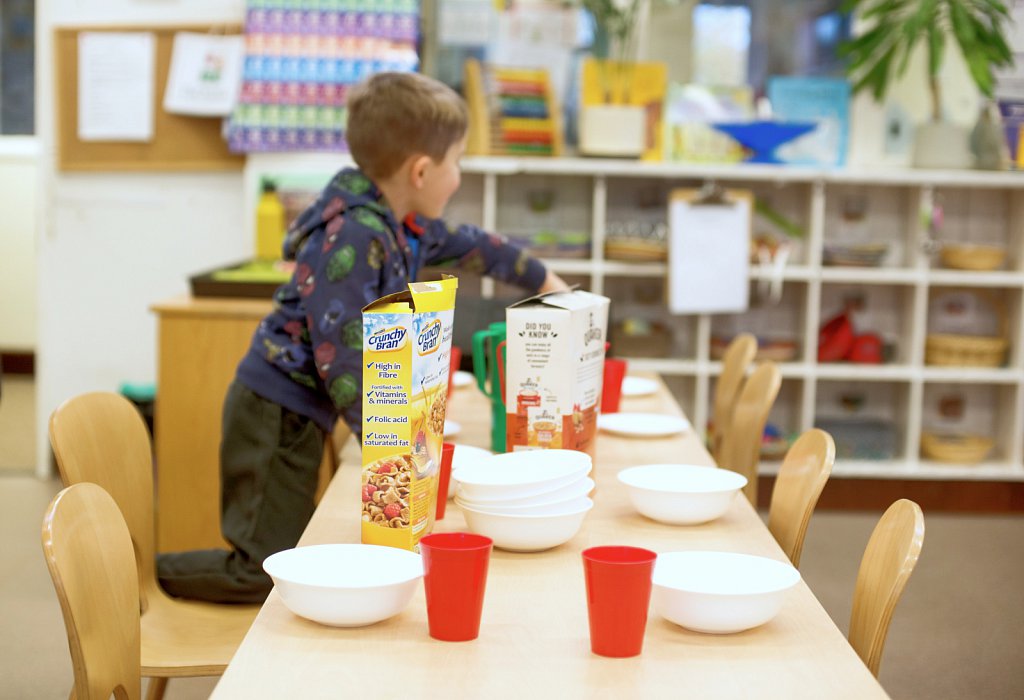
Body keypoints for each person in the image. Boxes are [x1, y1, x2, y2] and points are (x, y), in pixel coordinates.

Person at [156, 72, 568, 604]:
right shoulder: (351, 235)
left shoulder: (399, 222)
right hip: (274, 413)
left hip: (301, 410)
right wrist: (395, 448)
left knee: (294, 548)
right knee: (261, 572)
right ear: (421, 170)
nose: (460, 176)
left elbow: (476, 247)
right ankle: (141, 575)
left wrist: (546, 281)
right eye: (458, 162)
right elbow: (343, 359)